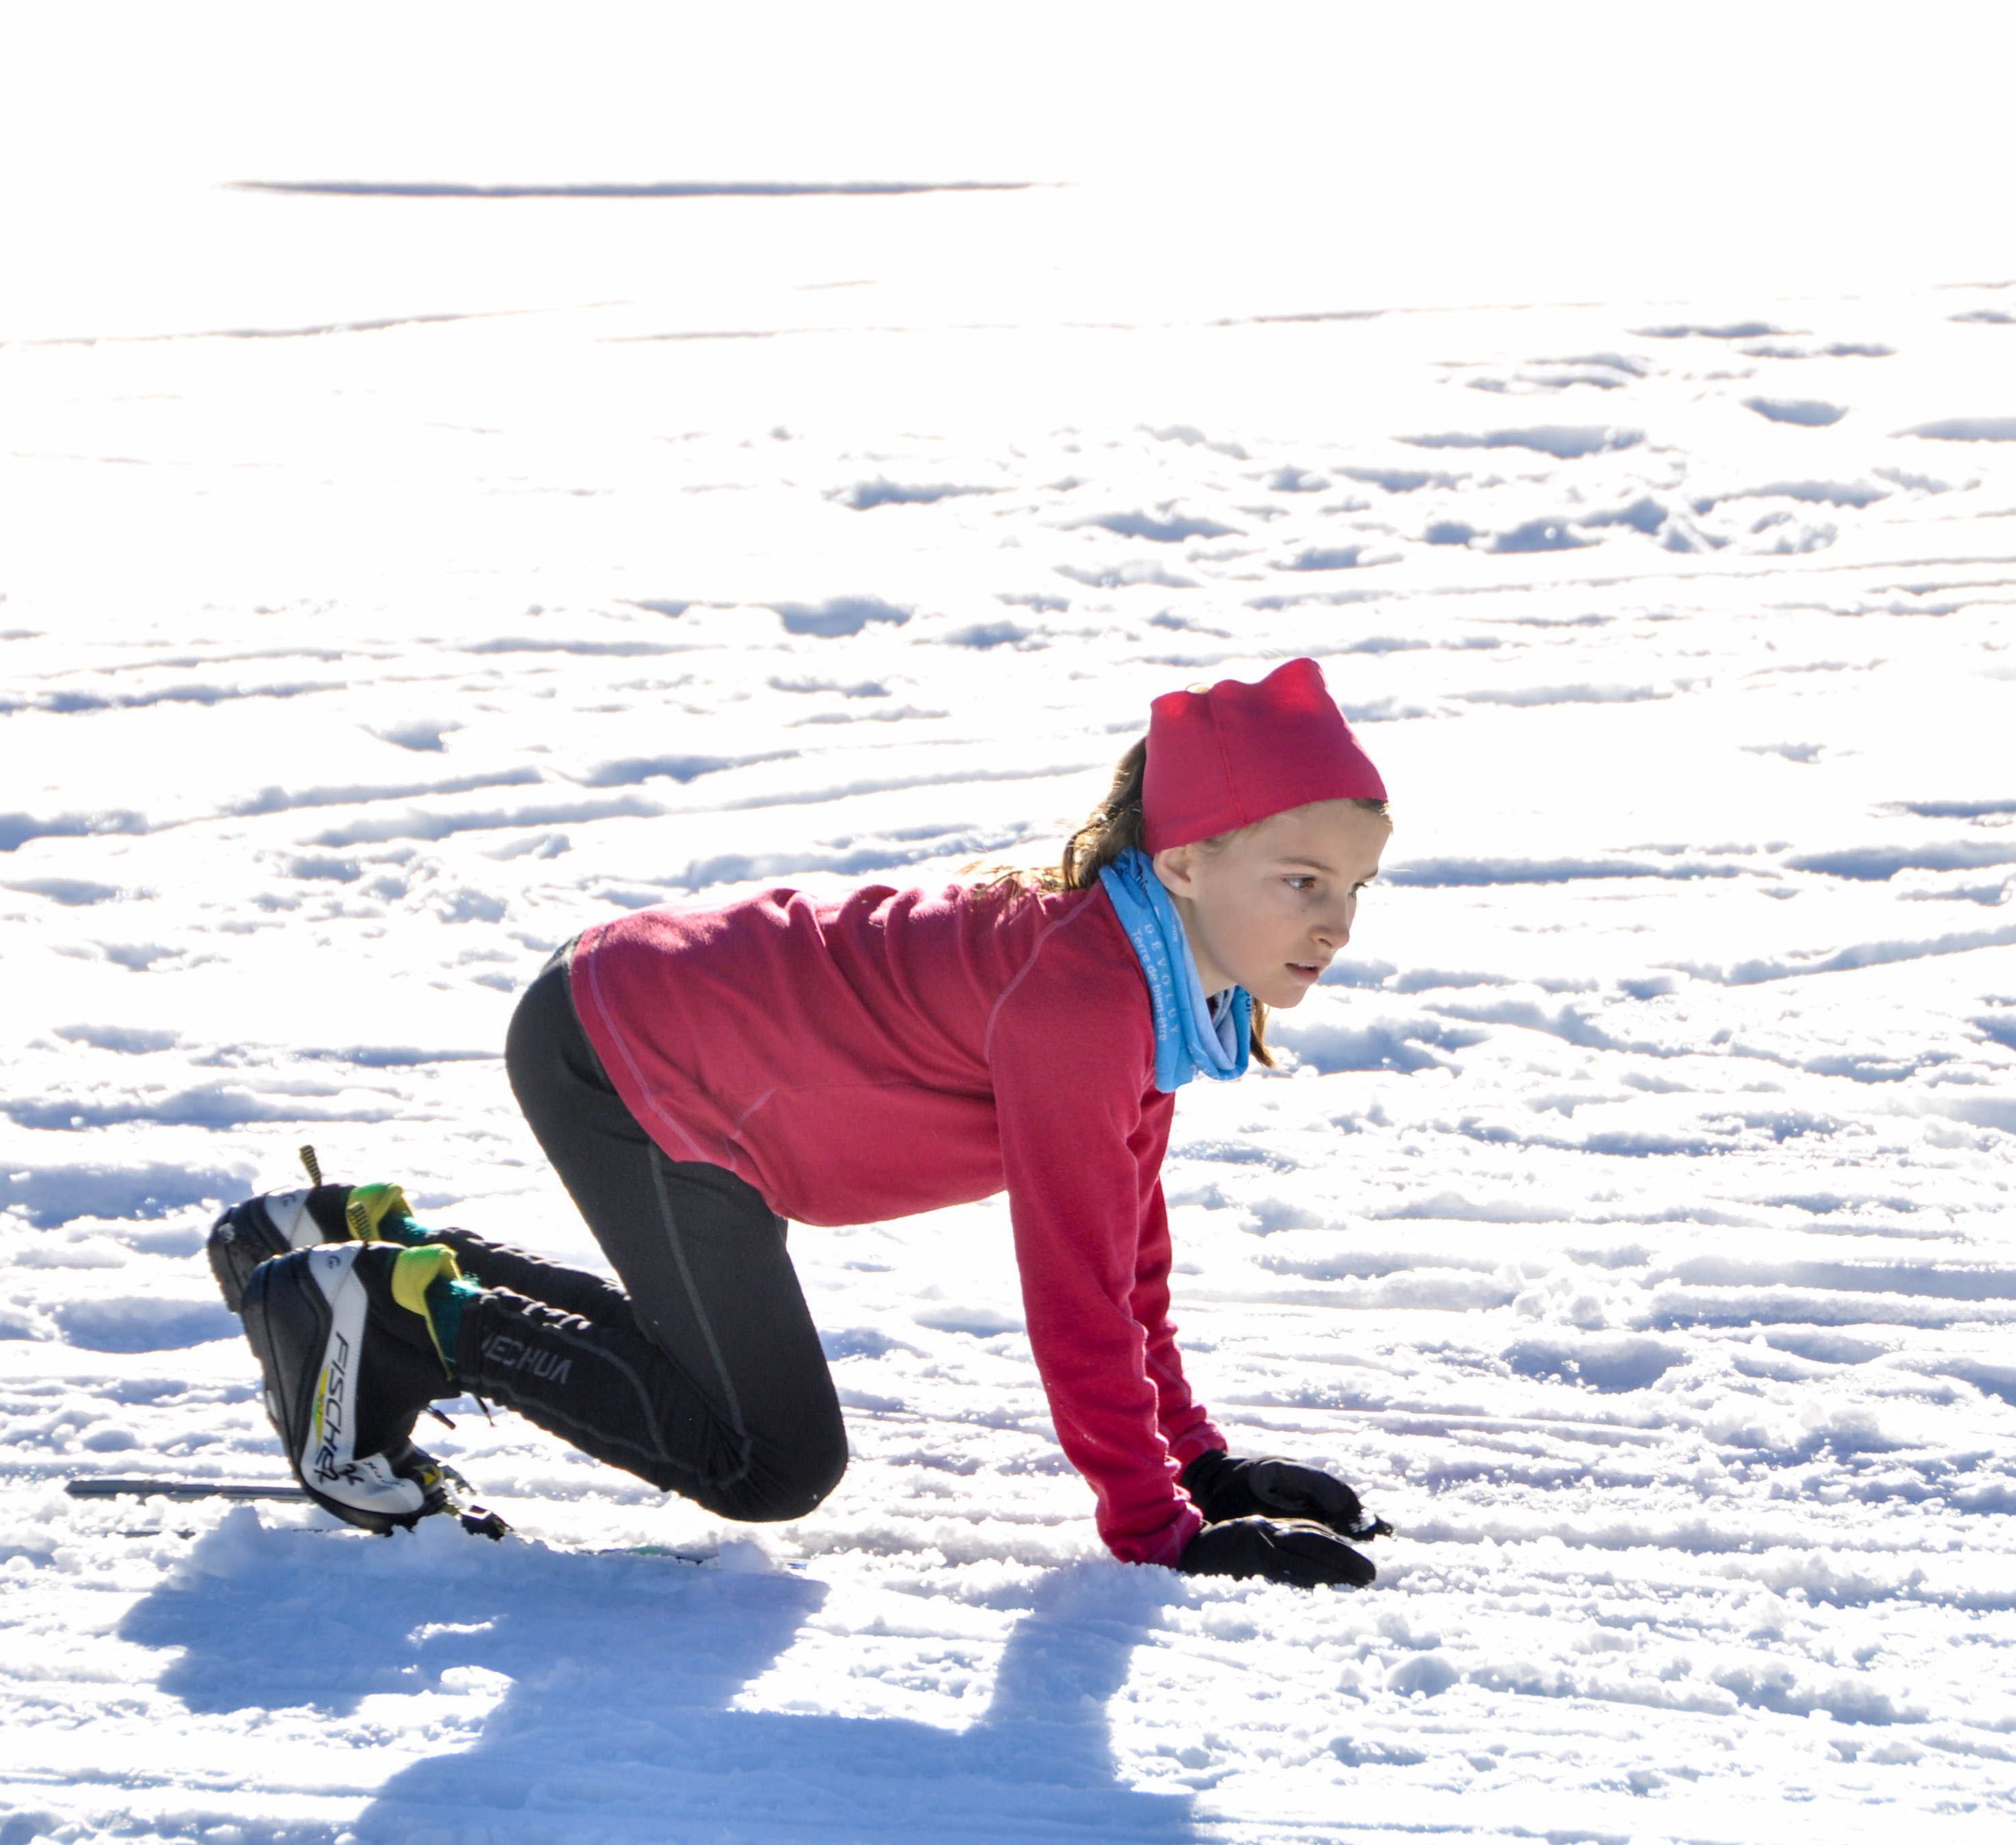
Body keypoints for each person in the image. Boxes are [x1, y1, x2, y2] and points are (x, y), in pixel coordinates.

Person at [204, 656, 1397, 1589]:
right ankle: (395, 1318)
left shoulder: (1151, 978)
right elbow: (1076, 1288)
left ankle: (352, 1253)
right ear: (1184, 863)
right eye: (1301, 880)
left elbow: (1129, 1256)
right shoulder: (1085, 998)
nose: (1337, 921)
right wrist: (1156, 1529)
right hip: (636, 1057)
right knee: (766, 1460)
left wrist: (1199, 1467)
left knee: (720, 1385)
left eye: (1354, 886)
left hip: (664, 1042)